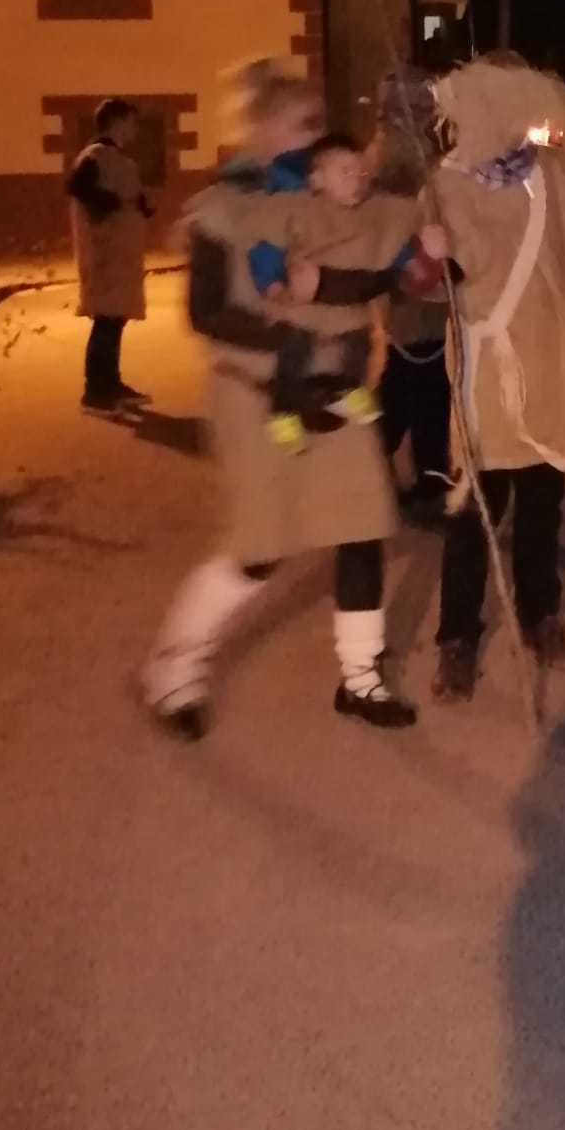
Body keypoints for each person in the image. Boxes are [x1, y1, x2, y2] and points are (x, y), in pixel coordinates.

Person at [141, 60, 420, 740]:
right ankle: (174, 667)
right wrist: (293, 332)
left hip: (339, 395)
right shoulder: (222, 209)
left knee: (360, 526)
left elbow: (380, 272)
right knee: (259, 548)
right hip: (256, 395)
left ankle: (361, 677)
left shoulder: (336, 200)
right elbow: (206, 311)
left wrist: (416, 259)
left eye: (320, 122)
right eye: (304, 122)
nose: (318, 135)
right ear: (262, 129)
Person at [431, 54, 565, 700]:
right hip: (489, 364)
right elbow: (442, 279)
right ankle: (456, 638)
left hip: (551, 358)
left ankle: (541, 618)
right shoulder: (446, 184)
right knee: (474, 508)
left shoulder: (549, 174)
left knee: (541, 502)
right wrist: (433, 256)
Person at [251, 132, 443, 454]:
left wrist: (414, 260)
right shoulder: (296, 211)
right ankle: (282, 412)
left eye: (361, 173)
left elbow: (385, 244)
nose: (356, 181)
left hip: (350, 307)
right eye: (345, 173)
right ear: (317, 179)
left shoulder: (371, 215)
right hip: (304, 306)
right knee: (294, 351)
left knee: (360, 342)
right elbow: (266, 243)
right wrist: (272, 282)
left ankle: (348, 389)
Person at [371, 68, 454, 523]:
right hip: (410, 289)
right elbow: (390, 226)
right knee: (405, 385)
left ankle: (431, 474)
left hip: (428, 290)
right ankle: (368, 470)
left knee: (431, 388)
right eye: (419, 108)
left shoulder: (420, 155)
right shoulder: (391, 161)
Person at [67, 97, 152, 411]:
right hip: (105, 255)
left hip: (120, 256)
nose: (135, 129)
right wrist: (118, 203)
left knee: (115, 320)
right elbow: (79, 190)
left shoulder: (115, 159)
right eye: (131, 122)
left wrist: (138, 206)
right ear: (118, 122)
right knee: (106, 321)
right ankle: (95, 391)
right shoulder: (95, 157)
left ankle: (111, 383)